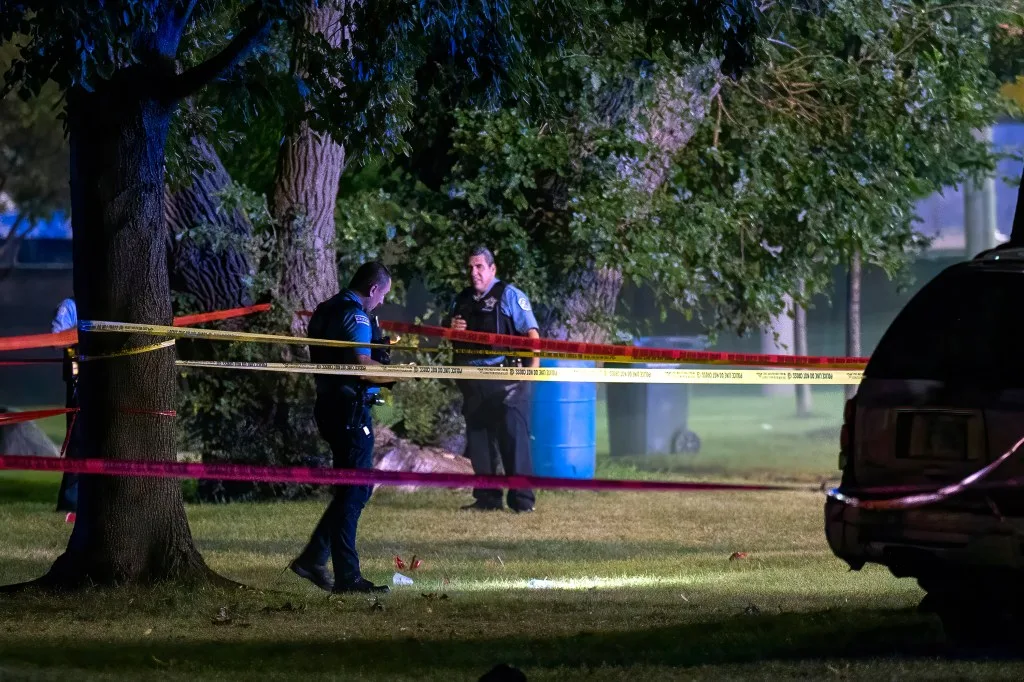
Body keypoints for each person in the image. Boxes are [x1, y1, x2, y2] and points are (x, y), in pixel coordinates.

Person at [290, 262, 397, 594]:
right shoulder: (356, 315)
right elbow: (361, 365)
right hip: (349, 410)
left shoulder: (325, 310)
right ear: (373, 289)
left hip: (330, 406)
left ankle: (313, 558)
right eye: (383, 296)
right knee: (354, 492)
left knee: (353, 490)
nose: (380, 303)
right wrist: (398, 374)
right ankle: (347, 577)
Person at [448, 245, 540, 513]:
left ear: (492, 269)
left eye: (479, 267)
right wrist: (452, 331)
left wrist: (529, 375)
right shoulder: (461, 299)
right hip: (472, 380)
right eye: (470, 267)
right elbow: (448, 336)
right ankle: (487, 499)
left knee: (514, 441)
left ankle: (523, 502)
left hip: (506, 378)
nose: (474, 272)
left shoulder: (510, 296)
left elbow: (532, 336)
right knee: (479, 443)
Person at [51, 297, 80, 517]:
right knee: (77, 438)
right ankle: (71, 502)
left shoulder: (107, 303)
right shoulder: (69, 306)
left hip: (107, 379)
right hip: (78, 380)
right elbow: (57, 339)